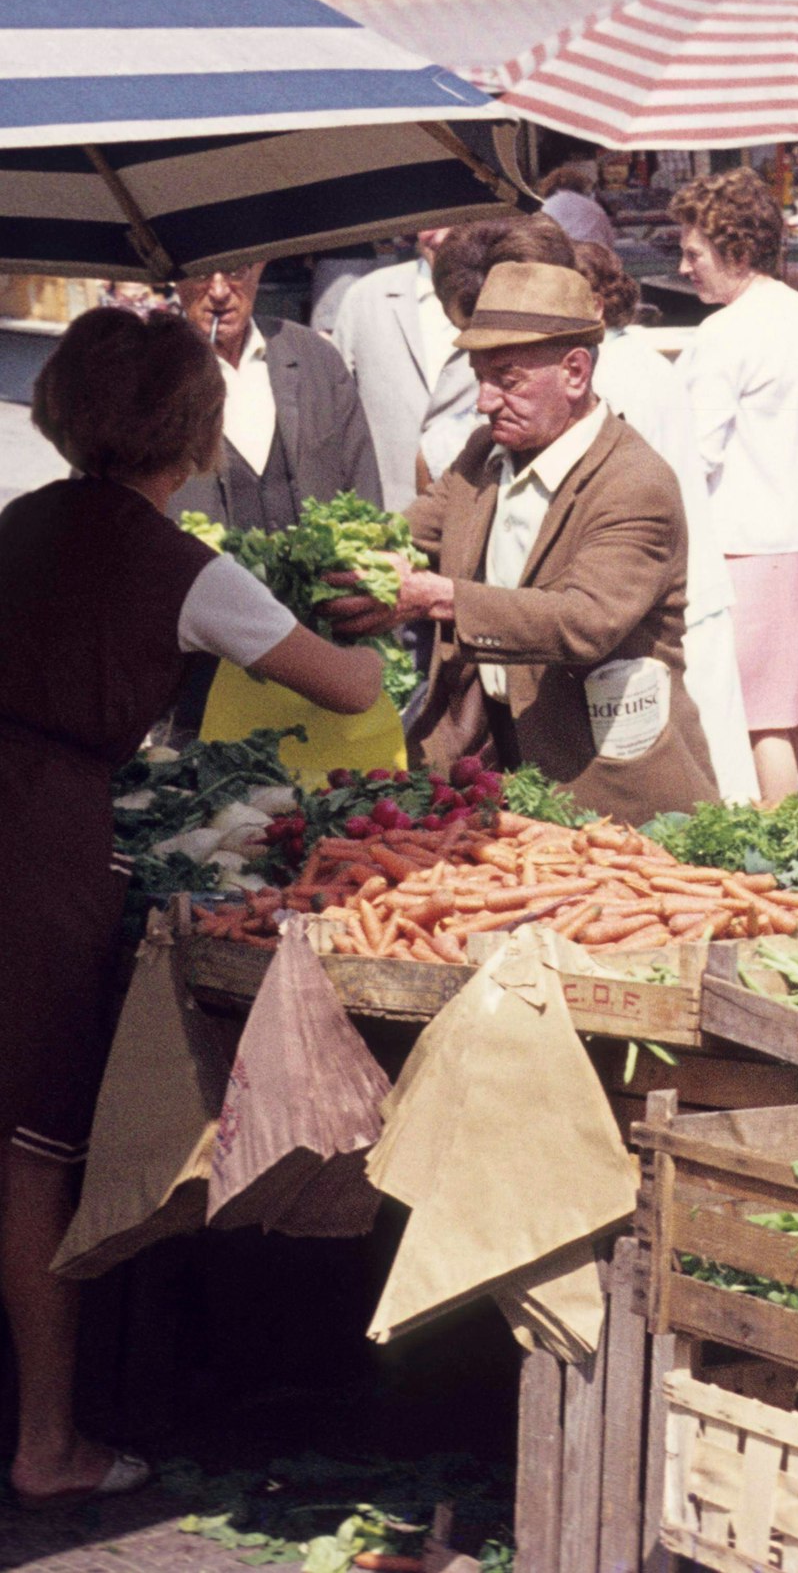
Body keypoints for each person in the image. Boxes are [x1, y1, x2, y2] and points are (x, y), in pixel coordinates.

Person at [0, 310, 381, 1508]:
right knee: (32, 1148)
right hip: (43, 844)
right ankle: (48, 1443)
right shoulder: (184, 567)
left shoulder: (20, 520)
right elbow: (348, 683)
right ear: (196, 429)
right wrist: (375, 616)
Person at [323, 261, 718, 827]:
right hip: (494, 765)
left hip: (611, 791)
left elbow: (585, 621)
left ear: (575, 372)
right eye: (479, 377)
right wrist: (336, 559)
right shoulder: (483, 454)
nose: (485, 401)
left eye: (507, 381)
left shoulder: (634, 483)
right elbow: (409, 530)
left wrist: (438, 598)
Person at [673, 168, 798, 835]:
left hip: (750, 552)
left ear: (737, 250)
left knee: (758, 722)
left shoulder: (728, 332)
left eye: (694, 253)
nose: (684, 267)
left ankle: (780, 852)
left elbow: (693, 454)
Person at [578, 241, 758, 803]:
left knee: (696, 762)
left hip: (670, 590)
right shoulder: (642, 360)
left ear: (596, 304)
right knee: (718, 752)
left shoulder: (613, 373)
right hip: (691, 580)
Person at [169, 262, 381, 531]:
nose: (219, 292)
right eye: (201, 274)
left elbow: (363, 483)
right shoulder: (154, 377)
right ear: (176, 281)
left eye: (235, 272)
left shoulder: (315, 357)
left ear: (258, 268)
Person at [325, 230, 479, 512]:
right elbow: (333, 411)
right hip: (385, 515)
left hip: (475, 513)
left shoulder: (499, 295)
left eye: (452, 219)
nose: (439, 237)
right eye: (428, 222)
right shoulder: (366, 296)